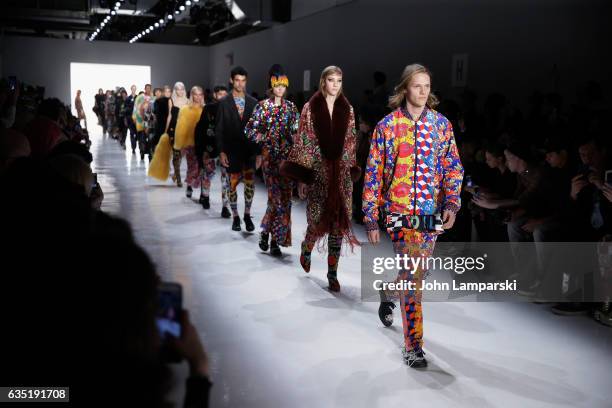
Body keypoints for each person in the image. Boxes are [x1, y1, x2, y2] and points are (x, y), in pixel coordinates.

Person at [362, 64, 464, 368]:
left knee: (417, 274)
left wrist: (452, 202)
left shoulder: (441, 125)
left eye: (427, 86)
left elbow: (452, 166)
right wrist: (370, 214)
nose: (423, 91)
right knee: (414, 277)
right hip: (400, 211)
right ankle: (414, 345)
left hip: (429, 212)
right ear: (405, 88)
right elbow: (373, 172)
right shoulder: (388, 126)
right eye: (417, 85)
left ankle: (388, 290)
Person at [281, 65, 360, 292]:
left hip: (341, 175)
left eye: (339, 80)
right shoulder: (310, 107)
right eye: (331, 80)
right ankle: (307, 248)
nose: (335, 85)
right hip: (319, 173)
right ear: (323, 81)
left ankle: (332, 274)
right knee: (316, 220)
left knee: (338, 224)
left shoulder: (348, 109)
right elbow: (305, 140)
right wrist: (303, 177)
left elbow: (351, 141)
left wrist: (347, 167)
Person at [245, 65, 300, 256]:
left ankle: (269, 235)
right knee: (276, 199)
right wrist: (264, 139)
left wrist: (295, 144)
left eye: (283, 86)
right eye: (277, 86)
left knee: (285, 201)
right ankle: (273, 240)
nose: (280, 89)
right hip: (270, 160)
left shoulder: (291, 108)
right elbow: (249, 130)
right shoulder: (263, 106)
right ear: (271, 86)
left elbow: (297, 133)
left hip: (287, 161)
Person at [215, 66, 259, 232]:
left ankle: (247, 215)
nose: (240, 84)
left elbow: (257, 129)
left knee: (249, 185)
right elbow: (219, 129)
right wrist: (221, 151)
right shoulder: (224, 103)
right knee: (231, 185)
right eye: (237, 80)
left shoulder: (253, 103)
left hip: (248, 152)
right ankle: (235, 217)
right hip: (231, 150)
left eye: (243, 80)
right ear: (231, 80)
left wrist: (259, 152)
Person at [194, 85, 231, 216]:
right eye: (220, 94)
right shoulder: (208, 108)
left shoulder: (230, 109)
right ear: (215, 95)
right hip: (210, 147)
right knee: (207, 174)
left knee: (226, 179)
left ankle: (225, 207)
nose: (223, 97)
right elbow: (201, 129)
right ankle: (205, 196)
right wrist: (202, 149)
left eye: (225, 94)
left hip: (226, 149)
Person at [174, 86, 205, 198]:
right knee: (192, 166)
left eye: (200, 94)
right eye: (195, 94)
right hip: (190, 143)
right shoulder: (185, 109)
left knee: (203, 168)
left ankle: (203, 191)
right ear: (192, 95)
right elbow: (181, 128)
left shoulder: (205, 109)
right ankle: (189, 186)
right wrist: (181, 145)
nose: (198, 97)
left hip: (203, 144)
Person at [168, 82, 190, 187]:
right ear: (175, 90)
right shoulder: (171, 100)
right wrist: (166, 130)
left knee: (181, 154)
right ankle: (178, 178)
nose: (180, 91)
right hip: (173, 129)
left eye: (182, 89)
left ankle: (175, 175)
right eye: (178, 89)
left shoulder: (188, 101)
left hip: (185, 130)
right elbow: (169, 116)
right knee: (176, 154)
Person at [132, 84, 153, 161]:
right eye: (146, 88)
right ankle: (142, 151)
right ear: (144, 89)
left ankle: (150, 154)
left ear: (151, 89)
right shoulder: (139, 97)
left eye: (149, 88)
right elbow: (135, 107)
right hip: (140, 121)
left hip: (151, 122)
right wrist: (134, 117)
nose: (148, 89)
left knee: (150, 139)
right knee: (141, 138)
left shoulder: (153, 98)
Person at [153, 85, 172, 153]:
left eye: (169, 91)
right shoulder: (158, 101)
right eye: (166, 91)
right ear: (163, 92)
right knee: (160, 143)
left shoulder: (173, 101)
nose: (167, 93)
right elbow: (156, 113)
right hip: (161, 125)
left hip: (171, 125)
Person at [125, 85, 138, 154]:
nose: (133, 90)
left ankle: (135, 142)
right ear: (131, 89)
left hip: (137, 119)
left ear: (136, 89)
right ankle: (133, 148)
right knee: (131, 133)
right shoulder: (128, 98)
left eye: (134, 89)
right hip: (130, 119)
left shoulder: (138, 97)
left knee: (137, 134)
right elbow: (126, 108)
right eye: (132, 89)